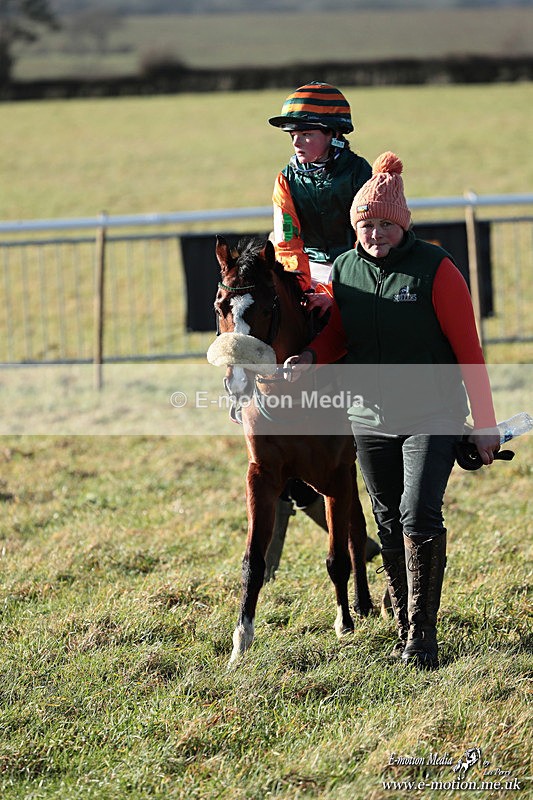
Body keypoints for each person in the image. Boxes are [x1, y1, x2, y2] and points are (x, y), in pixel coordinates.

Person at [284, 151, 500, 669]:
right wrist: (310, 356)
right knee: (384, 518)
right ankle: (403, 622)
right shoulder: (346, 269)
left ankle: (423, 639)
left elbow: (469, 350)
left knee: (417, 512)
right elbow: (339, 333)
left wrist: (486, 423)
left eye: (384, 224)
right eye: (365, 225)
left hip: (434, 413)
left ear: (402, 224)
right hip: (369, 417)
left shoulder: (437, 269)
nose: (375, 234)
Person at [265, 81, 378, 579]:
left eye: (304, 131)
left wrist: (336, 286)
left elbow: (370, 235)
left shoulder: (362, 174)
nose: (295, 140)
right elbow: (286, 237)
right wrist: (300, 285)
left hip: (356, 270)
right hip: (307, 274)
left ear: (333, 134)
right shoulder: (286, 177)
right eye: (291, 132)